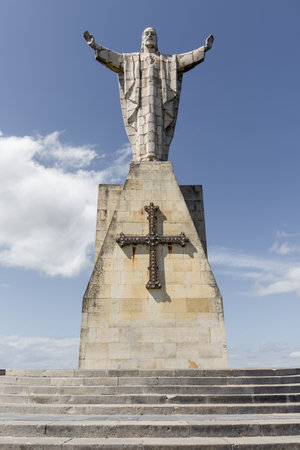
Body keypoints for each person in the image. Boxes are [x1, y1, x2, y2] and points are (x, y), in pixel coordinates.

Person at [84, 27, 214, 161]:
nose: (149, 35)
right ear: (142, 39)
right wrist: (95, 46)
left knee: (159, 129)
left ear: (157, 40)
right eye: (146, 34)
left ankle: (157, 158)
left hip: (160, 104)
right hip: (140, 104)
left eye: (153, 34)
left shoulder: (167, 59)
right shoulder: (132, 59)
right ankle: (142, 158)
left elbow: (184, 60)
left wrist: (203, 49)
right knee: (142, 128)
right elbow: (115, 58)